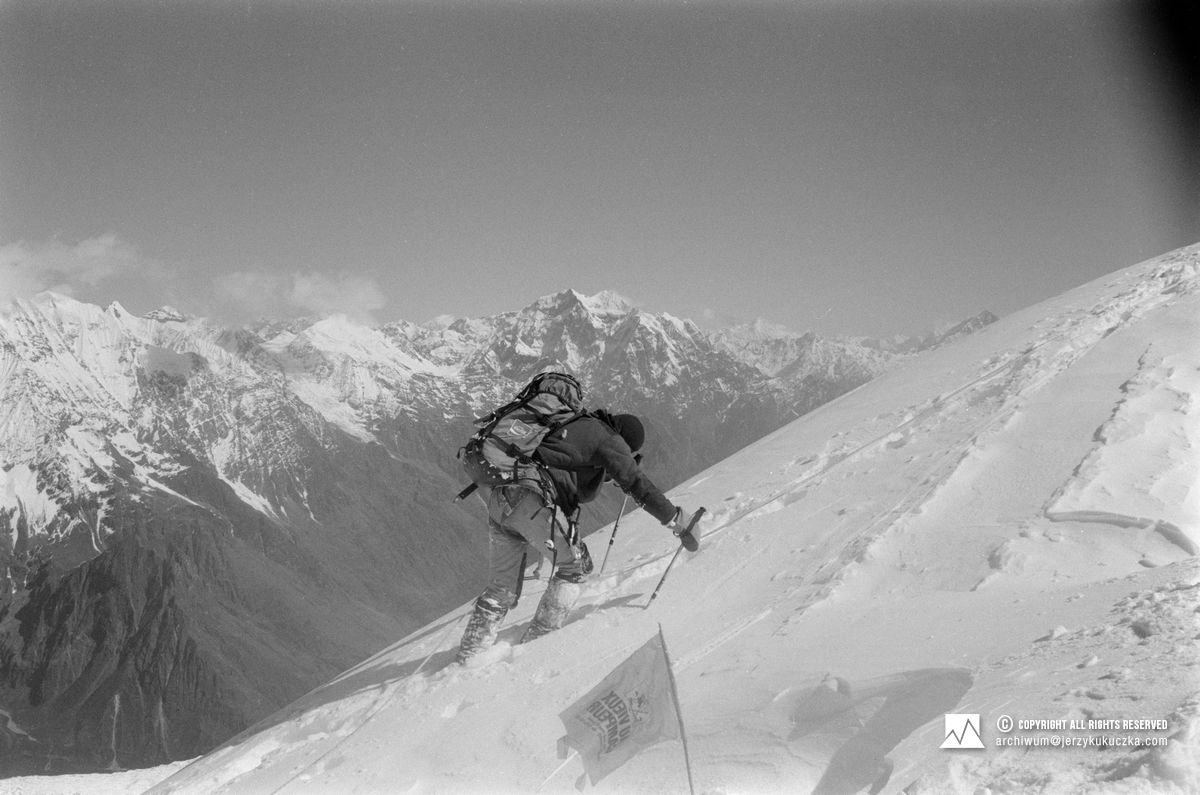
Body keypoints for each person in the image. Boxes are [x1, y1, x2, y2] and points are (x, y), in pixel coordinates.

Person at [456, 410, 700, 663]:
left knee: (501, 588)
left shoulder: (574, 423)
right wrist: (678, 521)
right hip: (530, 502)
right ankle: (537, 642)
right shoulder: (609, 439)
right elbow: (636, 483)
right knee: (576, 566)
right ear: (625, 442)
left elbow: (571, 468)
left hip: (498, 498)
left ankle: (469, 655)